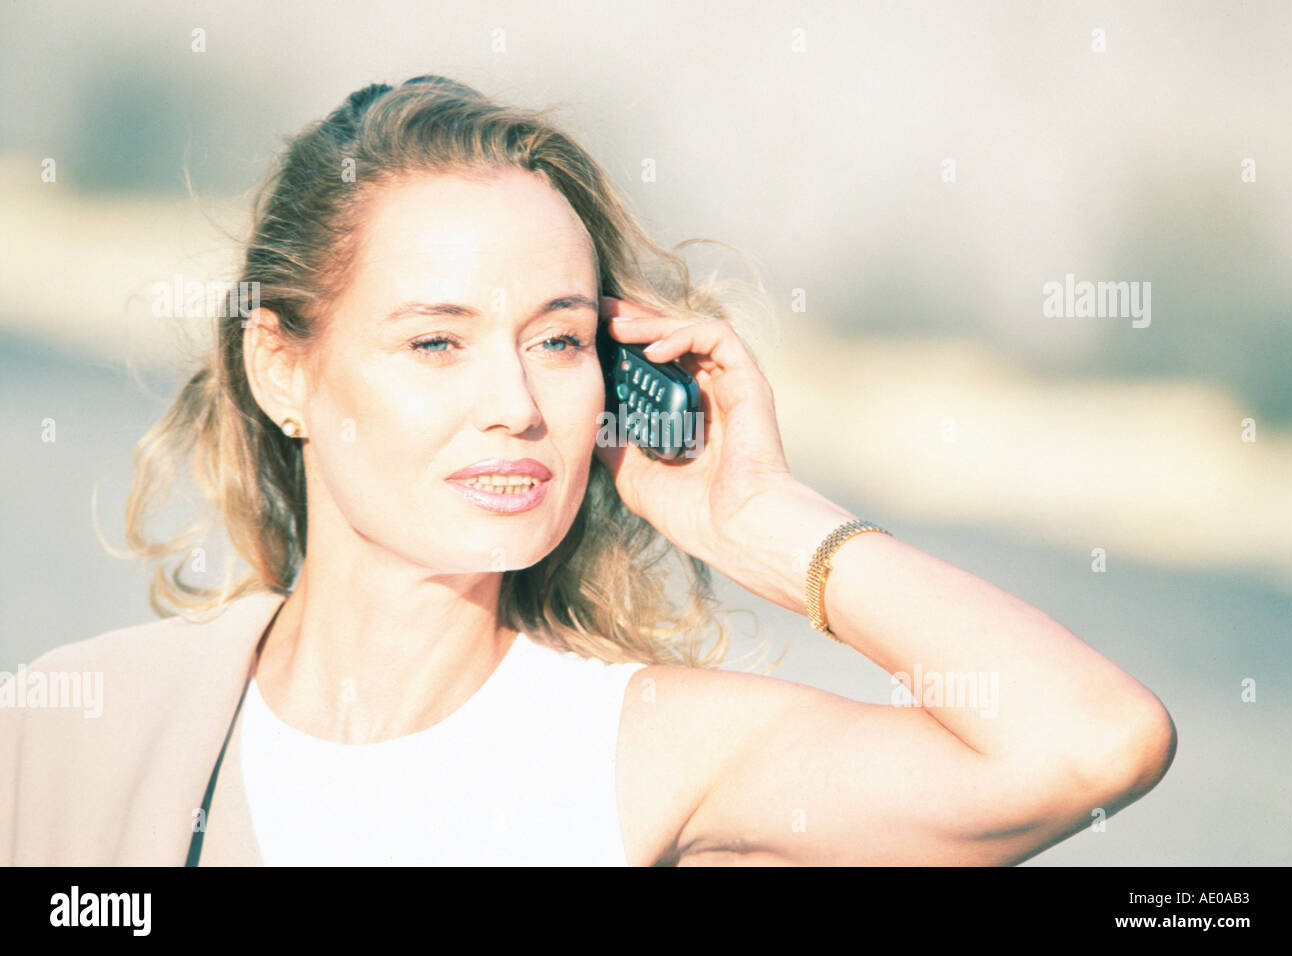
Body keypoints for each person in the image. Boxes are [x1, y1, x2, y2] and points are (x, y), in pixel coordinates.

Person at [0, 75, 1176, 866]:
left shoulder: (648, 752)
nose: (515, 406)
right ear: (283, 370)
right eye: (435, 342)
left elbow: (1089, 744)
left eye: (558, 340)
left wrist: (765, 520)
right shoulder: (81, 720)